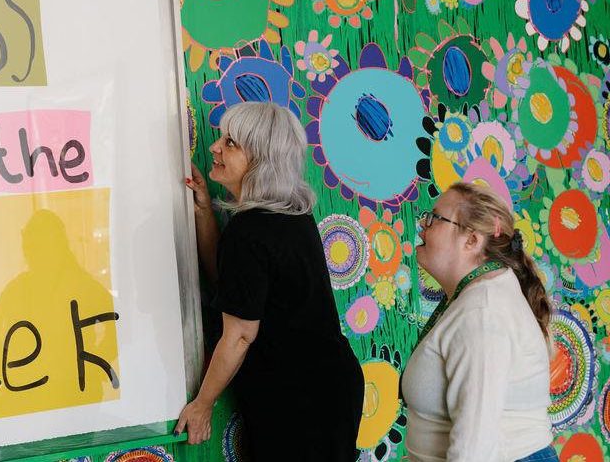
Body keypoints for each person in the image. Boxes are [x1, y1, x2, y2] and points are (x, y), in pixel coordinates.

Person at [174, 102, 364, 459]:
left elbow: (241, 333)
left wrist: (203, 402)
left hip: (300, 399)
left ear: (260, 161)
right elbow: (233, 286)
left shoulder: (251, 230)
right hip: (325, 386)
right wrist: (203, 209)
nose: (215, 147)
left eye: (230, 143)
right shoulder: (291, 214)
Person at [403, 182, 554, 462]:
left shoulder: (482, 312)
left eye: (435, 218)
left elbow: (475, 448)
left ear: (471, 240)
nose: (423, 225)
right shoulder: (478, 297)